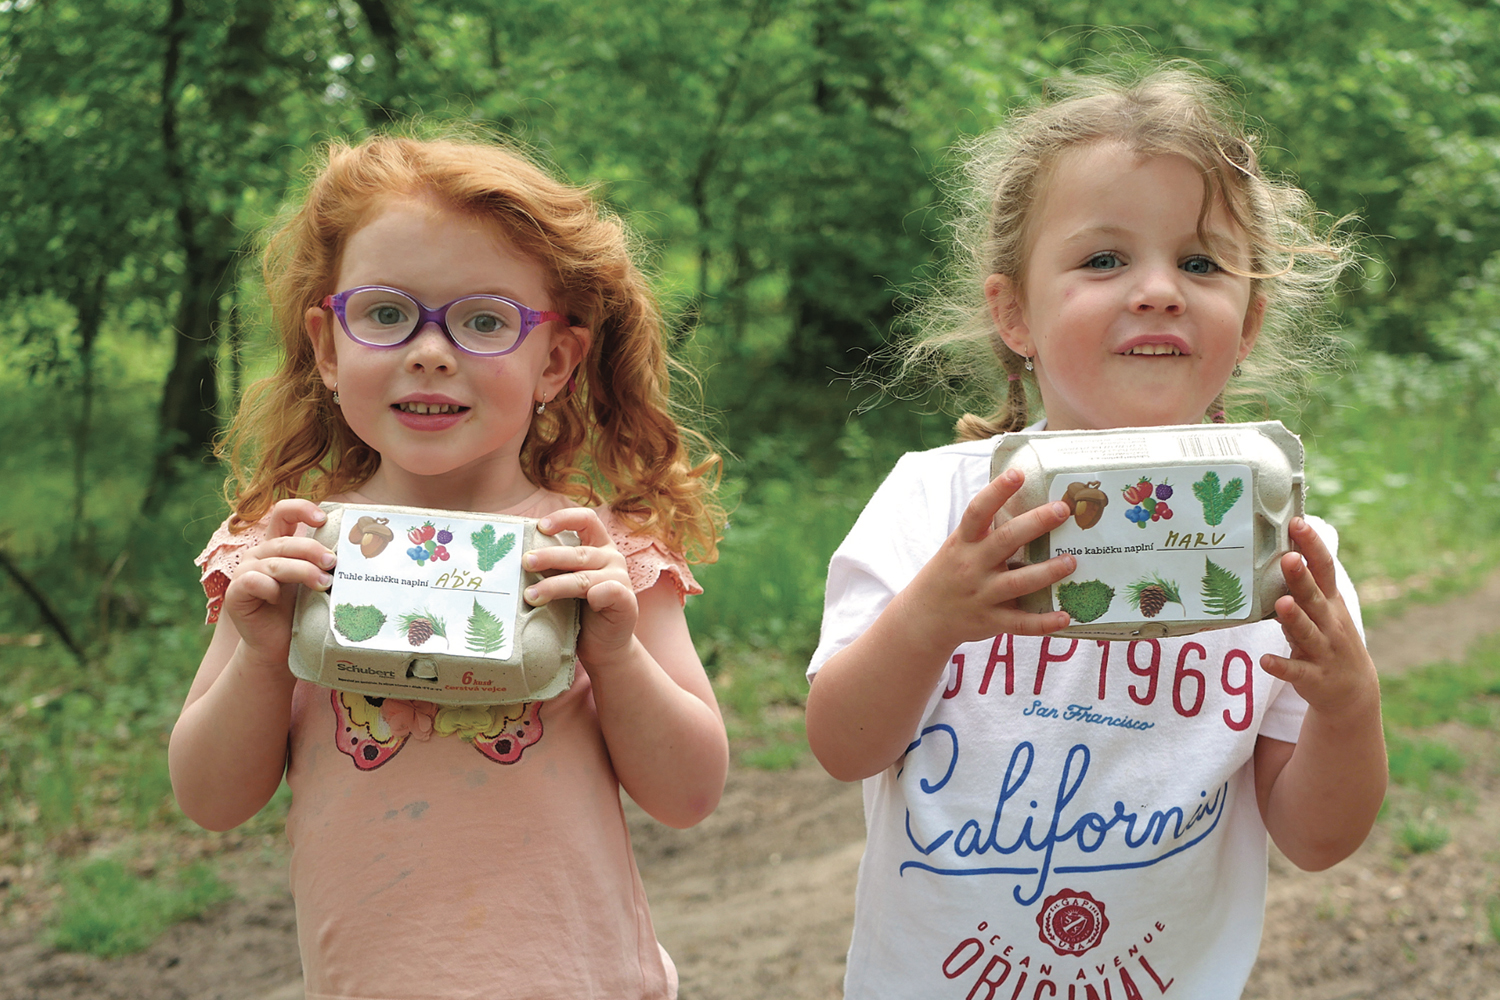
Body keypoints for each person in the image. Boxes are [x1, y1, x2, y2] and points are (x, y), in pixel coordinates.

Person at [804, 68, 1384, 999]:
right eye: (1104, 260)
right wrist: (933, 618)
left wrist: (1350, 708)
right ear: (1013, 314)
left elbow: (1317, 839)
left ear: (1249, 321)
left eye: (1200, 264)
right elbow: (844, 746)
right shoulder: (935, 502)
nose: (1158, 291)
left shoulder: (1276, 550)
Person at [169, 134, 728, 1000]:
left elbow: (690, 793)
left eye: (483, 320)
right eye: (387, 314)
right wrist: (258, 654)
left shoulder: (599, 557)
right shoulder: (287, 554)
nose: (431, 350)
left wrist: (613, 654)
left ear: (555, 361)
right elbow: (209, 799)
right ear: (326, 345)